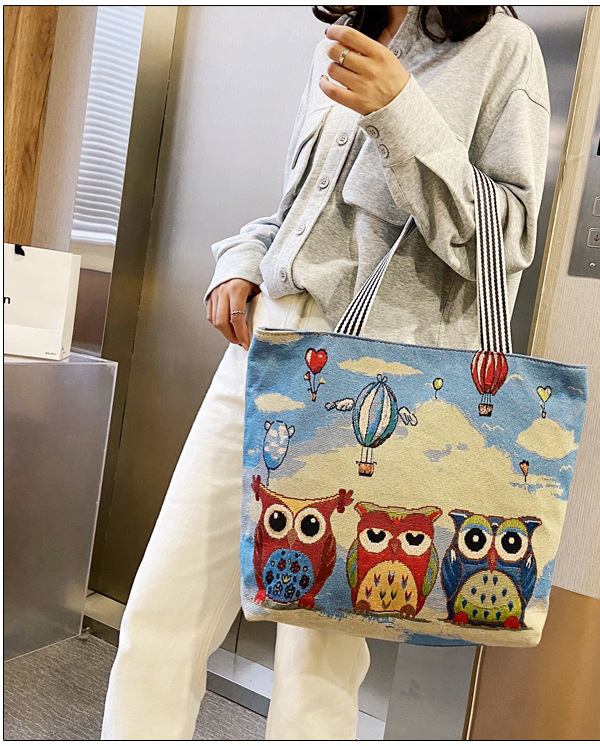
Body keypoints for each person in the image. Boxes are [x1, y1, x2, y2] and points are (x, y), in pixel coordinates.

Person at [102, 5, 550, 740]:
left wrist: (400, 110)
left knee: (318, 661)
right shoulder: (346, 35)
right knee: (162, 608)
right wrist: (244, 260)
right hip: (267, 353)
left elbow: (507, 241)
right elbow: (301, 210)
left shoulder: (504, 49)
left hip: (378, 376)